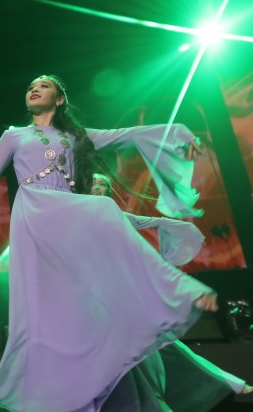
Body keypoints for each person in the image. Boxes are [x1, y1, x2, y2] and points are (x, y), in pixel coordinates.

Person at [0, 74, 238, 411]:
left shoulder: (76, 136)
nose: (34, 89)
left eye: (43, 86)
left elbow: (130, 134)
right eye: (30, 87)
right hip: (36, 212)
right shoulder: (13, 136)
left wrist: (181, 136)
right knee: (102, 209)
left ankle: (98, 366)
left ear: (60, 99)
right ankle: (178, 290)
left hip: (69, 218)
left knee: (89, 294)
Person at [89, 174, 252, 410]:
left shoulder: (112, 213)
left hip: (116, 290)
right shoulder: (74, 213)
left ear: (108, 190)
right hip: (90, 292)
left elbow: (152, 223)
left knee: (158, 342)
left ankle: (225, 382)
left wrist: (182, 229)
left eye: (102, 184)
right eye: (93, 183)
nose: (97, 187)